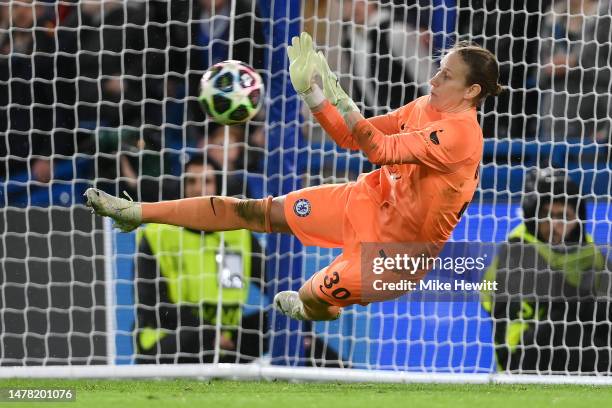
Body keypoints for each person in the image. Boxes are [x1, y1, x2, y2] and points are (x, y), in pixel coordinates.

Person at [85, 32, 502, 321]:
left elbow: (378, 149)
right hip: (367, 201)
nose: (433, 79)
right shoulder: (424, 106)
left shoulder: (462, 136)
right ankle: (137, 212)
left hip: (397, 257)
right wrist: (315, 96)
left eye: (445, 75)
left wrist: (342, 96)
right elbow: (348, 138)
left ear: (471, 92)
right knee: (255, 211)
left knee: (310, 296)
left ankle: (318, 309)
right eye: (438, 68)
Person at [135, 154, 267, 363]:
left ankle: (337, 374)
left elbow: (272, 281)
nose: (198, 189)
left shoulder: (239, 234)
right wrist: (209, 334)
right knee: (194, 337)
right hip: (170, 341)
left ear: (218, 187)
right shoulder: (157, 235)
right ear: (182, 187)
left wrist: (298, 323)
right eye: (191, 181)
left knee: (286, 323)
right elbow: (153, 308)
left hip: (227, 339)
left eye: (207, 181)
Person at [481, 168, 612, 373]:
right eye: (547, 215)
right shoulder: (517, 252)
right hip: (521, 359)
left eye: (563, 216)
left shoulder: (588, 250)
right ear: (533, 217)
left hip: (576, 351)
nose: (555, 226)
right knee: (566, 315)